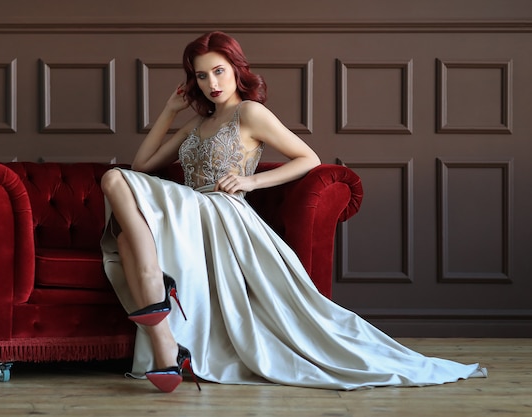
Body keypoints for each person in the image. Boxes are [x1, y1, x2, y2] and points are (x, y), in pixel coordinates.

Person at [100, 31, 487, 392]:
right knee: (123, 223)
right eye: (202, 76)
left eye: (219, 71)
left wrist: (251, 183)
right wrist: (169, 110)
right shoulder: (197, 121)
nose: (212, 84)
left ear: (237, 70)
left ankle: (156, 293)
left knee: (115, 182)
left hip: (221, 213)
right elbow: (143, 166)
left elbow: (309, 158)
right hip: (190, 214)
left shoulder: (249, 113)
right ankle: (165, 343)